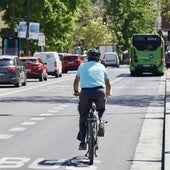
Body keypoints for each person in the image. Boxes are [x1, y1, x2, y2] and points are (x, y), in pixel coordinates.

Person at [73, 48, 111, 150]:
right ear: (98, 58)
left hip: (85, 93)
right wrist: (107, 94)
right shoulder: (102, 67)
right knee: (102, 109)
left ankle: (82, 143)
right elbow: (107, 83)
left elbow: (76, 81)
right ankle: (101, 123)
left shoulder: (82, 66)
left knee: (83, 118)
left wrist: (76, 91)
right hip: (99, 92)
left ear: (88, 57)